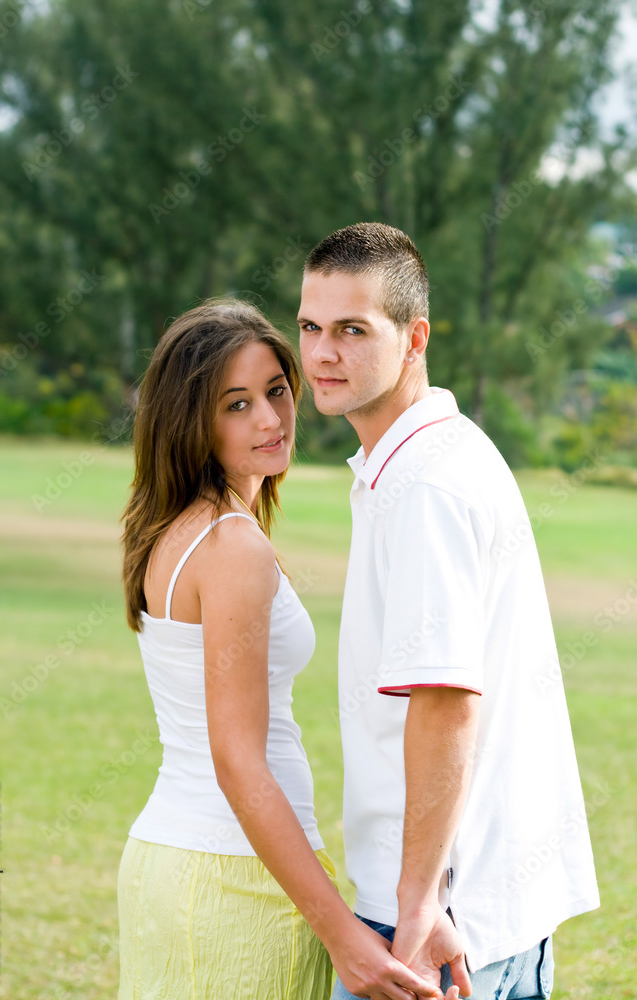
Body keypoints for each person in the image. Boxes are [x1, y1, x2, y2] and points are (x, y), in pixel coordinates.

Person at [297, 223, 600, 1000]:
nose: (323, 354)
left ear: (414, 337)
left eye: (352, 330)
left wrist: (417, 900)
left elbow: (443, 701)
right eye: (310, 327)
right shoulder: (424, 456)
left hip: (439, 918)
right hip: (477, 908)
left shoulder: (426, 484)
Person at [117, 300, 453, 1000]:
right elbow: (237, 759)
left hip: (175, 860)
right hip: (232, 878)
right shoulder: (232, 546)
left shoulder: (177, 528)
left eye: (275, 391)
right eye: (236, 405)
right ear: (190, 420)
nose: (270, 420)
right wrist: (340, 933)